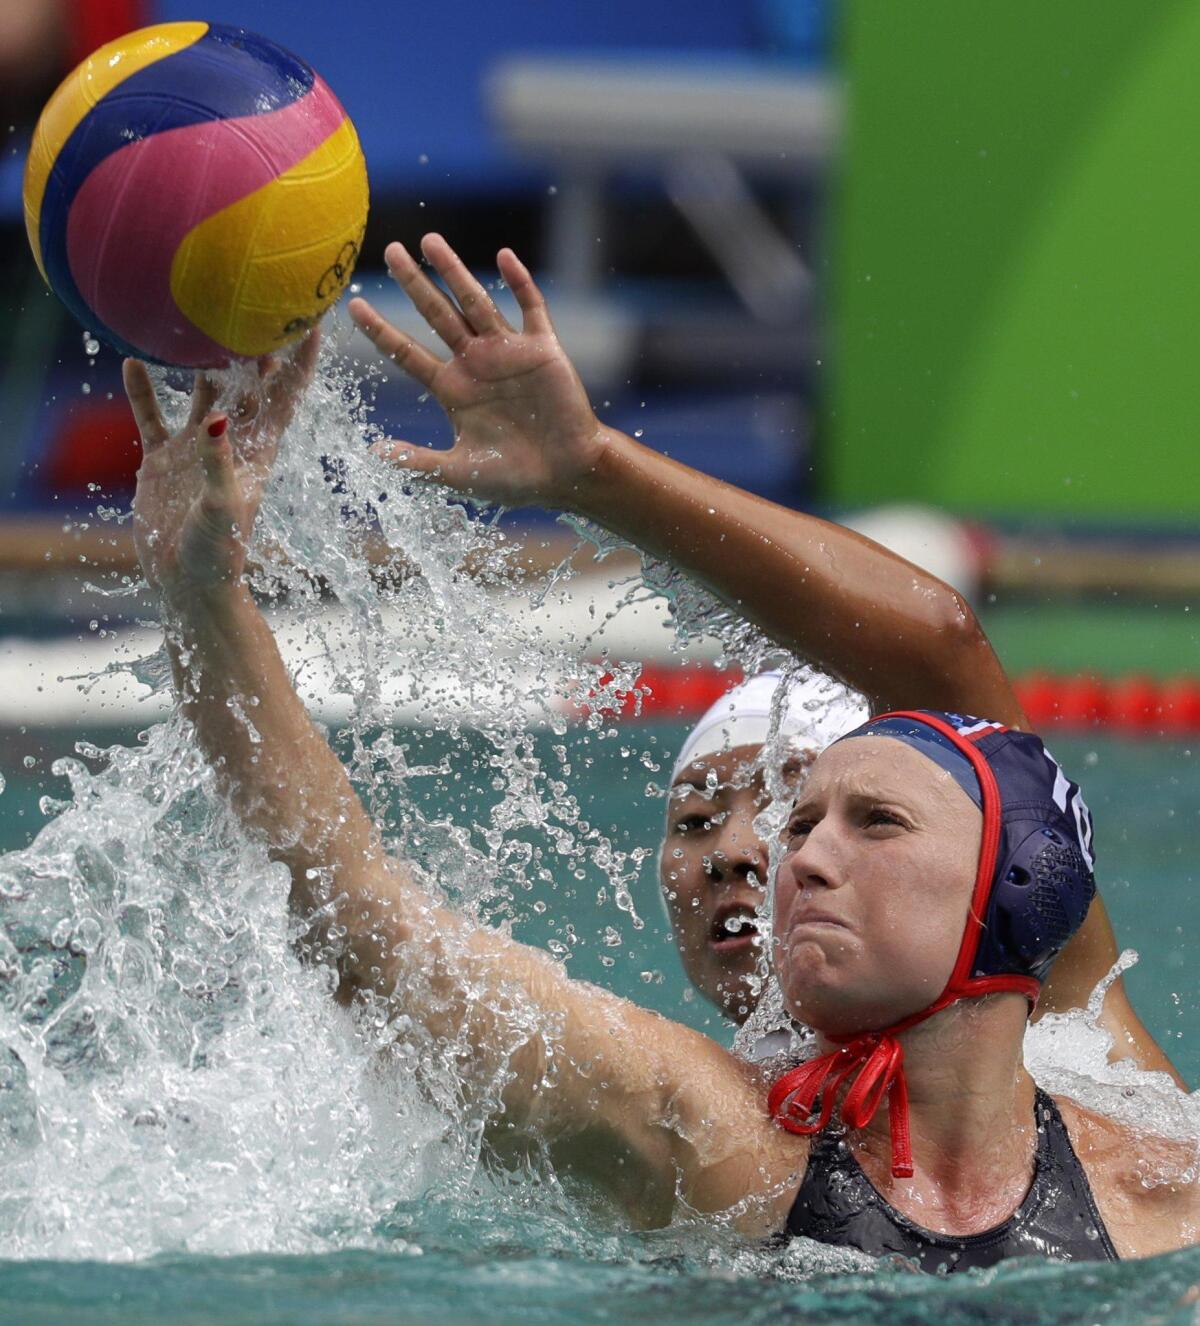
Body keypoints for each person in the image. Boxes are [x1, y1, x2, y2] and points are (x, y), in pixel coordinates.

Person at [119, 233, 1198, 1269]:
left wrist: (594, 470)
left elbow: (943, 659)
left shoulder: (1154, 1163)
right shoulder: (716, 1145)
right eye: (785, 821)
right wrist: (202, 594)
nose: (781, 858)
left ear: (1016, 884)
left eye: (867, 820)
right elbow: (362, 925)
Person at [661, 670, 1186, 1086]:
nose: (730, 852)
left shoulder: (1087, 1075)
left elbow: (946, 648)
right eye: (694, 821)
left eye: (789, 810)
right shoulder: (686, 1125)